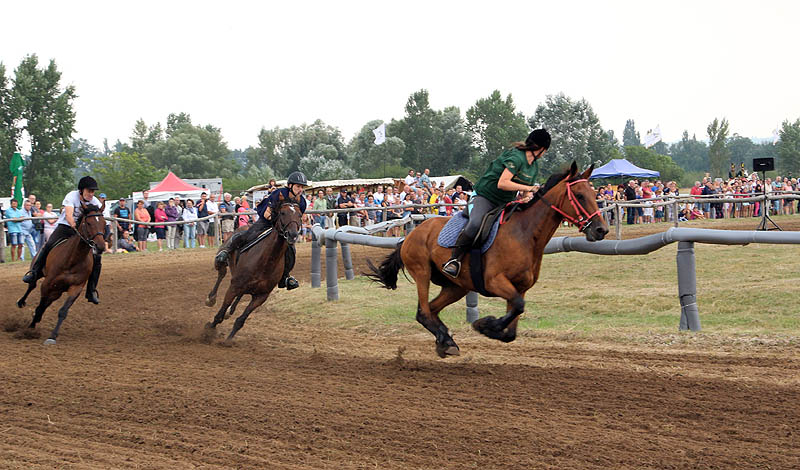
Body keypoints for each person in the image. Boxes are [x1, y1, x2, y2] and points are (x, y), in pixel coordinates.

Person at [442, 129, 550, 277]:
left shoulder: (534, 166)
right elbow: (503, 183)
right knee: (475, 224)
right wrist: (529, 188)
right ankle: (454, 259)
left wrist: (526, 197)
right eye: (545, 150)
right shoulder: (516, 157)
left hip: (504, 202)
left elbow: (525, 190)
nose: (544, 154)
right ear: (541, 148)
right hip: (484, 197)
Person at [215, 171, 309, 290]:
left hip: (282, 228)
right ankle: (226, 251)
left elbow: (298, 217)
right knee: (248, 234)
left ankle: (285, 277)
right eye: (298, 186)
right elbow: (267, 212)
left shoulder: (302, 202)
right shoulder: (278, 194)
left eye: (302, 187)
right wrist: (274, 221)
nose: (300, 189)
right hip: (267, 220)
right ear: (290, 186)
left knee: (290, 251)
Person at [22, 176, 104, 304]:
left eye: (93, 191)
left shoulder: (95, 202)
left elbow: (101, 218)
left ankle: (91, 290)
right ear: (81, 190)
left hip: (83, 233)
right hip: (65, 227)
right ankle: (34, 272)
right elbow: (69, 216)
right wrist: (74, 227)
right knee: (48, 245)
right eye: (89, 191)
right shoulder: (71, 196)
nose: (91, 194)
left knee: (97, 258)